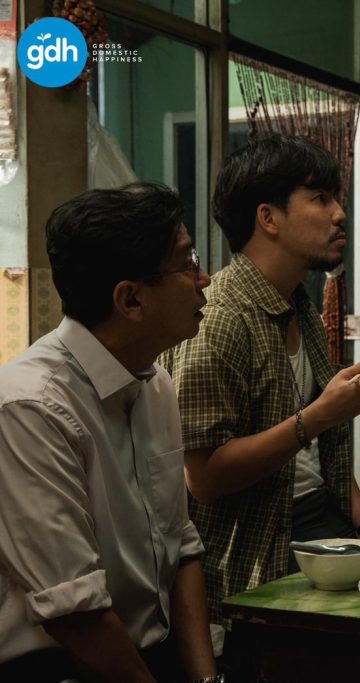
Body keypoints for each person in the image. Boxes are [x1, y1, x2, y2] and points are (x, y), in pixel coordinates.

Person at [161, 135, 360, 631]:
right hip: (260, 550)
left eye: (336, 198)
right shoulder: (220, 318)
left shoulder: (297, 304)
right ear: (268, 218)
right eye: (320, 199)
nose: (339, 214)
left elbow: (325, 454)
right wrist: (319, 417)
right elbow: (204, 479)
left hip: (325, 521)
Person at [0, 183, 219, 682]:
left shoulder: (155, 381)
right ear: (131, 298)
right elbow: (74, 612)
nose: (204, 278)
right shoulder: (31, 407)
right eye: (187, 263)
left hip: (151, 655)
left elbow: (180, 544)